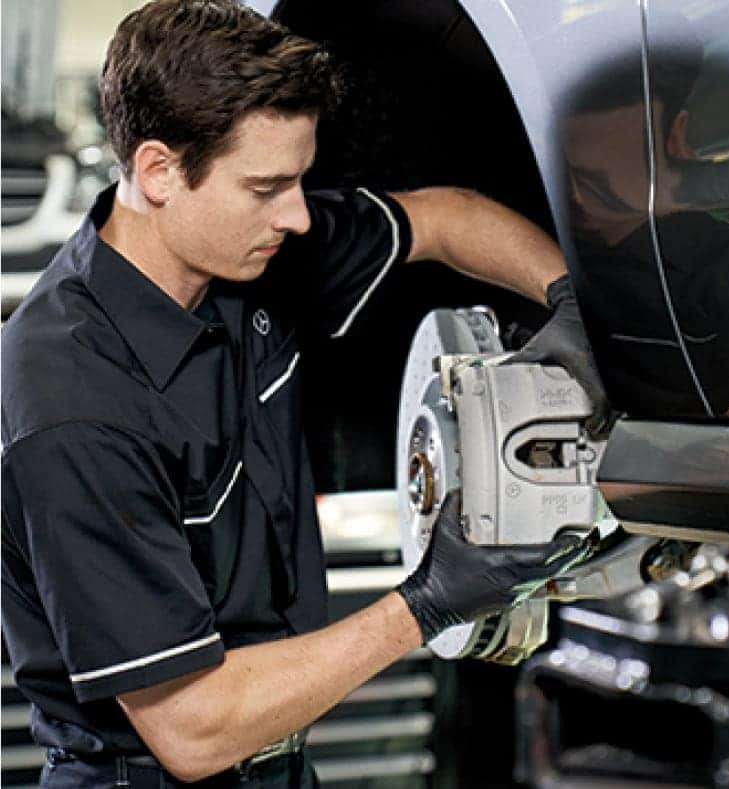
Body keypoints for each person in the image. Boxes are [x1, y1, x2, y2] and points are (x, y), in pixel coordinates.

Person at [1, 2, 603, 787]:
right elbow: (190, 729)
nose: (294, 213)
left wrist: (573, 306)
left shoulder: (248, 250)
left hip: (279, 763)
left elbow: (441, 218)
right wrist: (425, 604)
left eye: (299, 181)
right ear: (157, 172)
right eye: (266, 186)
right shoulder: (73, 401)